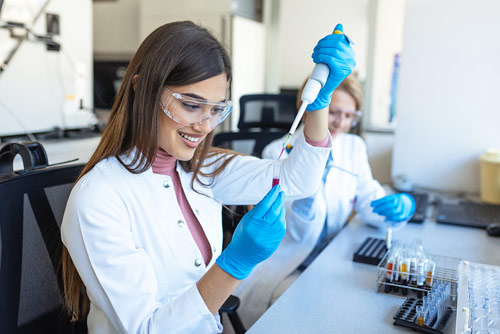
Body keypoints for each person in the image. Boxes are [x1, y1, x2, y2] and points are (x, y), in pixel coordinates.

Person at [60, 21, 355, 333]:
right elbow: (147, 329)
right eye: (190, 105)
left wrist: (321, 101)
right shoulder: (99, 198)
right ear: (141, 88)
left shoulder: (202, 170)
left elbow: (297, 181)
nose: (205, 125)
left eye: (215, 110)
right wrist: (234, 264)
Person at [234, 74, 415, 328]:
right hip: (289, 262)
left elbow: (367, 199)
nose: (340, 122)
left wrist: (394, 209)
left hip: (332, 256)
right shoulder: (278, 151)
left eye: (349, 115)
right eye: (333, 111)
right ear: (311, 107)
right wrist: (307, 200)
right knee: (312, 318)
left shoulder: (354, 147)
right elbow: (291, 232)